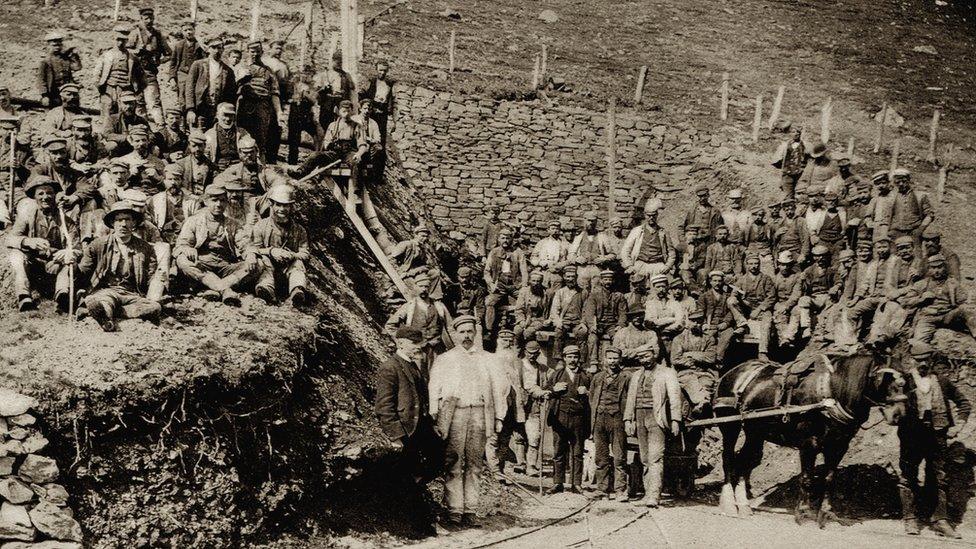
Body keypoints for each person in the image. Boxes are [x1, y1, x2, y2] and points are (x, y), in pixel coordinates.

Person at [428, 315, 501, 527]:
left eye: (470, 331)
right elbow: (434, 387)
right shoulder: (445, 359)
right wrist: (435, 412)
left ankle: (470, 509)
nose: (466, 336)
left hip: (479, 413)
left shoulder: (488, 359)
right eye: (462, 332)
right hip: (455, 415)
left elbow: (498, 389)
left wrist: (498, 417)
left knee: (475, 463)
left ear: (476, 333)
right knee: (454, 461)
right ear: (455, 334)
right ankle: (454, 510)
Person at [897, 341, 971, 538]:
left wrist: (959, 426)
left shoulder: (942, 382)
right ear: (912, 360)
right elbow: (891, 406)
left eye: (926, 360)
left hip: (937, 436)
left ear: (931, 360)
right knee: (908, 475)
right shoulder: (904, 383)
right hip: (911, 437)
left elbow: (964, 403)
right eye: (918, 360)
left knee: (939, 477)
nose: (922, 364)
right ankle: (910, 519)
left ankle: (939, 520)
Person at [79, 201, 162, 331]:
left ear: (134, 223)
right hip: (107, 291)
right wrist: (72, 266)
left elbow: (151, 275)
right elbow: (83, 271)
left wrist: (159, 280)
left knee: (155, 307)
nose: (123, 224)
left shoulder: (145, 248)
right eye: (119, 220)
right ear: (112, 223)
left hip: (132, 294)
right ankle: (106, 320)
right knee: (104, 302)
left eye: (127, 219)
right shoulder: (98, 245)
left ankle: (117, 312)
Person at [374, 326, 441, 484]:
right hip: (406, 430)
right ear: (401, 343)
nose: (418, 346)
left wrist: (432, 425)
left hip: (421, 426)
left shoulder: (413, 365)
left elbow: (422, 399)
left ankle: (417, 484)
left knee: (443, 457)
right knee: (405, 472)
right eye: (414, 342)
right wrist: (396, 435)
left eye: (419, 342)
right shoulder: (390, 367)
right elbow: (384, 406)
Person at [5, 176, 80, 312]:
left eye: (49, 193)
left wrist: (65, 254)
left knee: (71, 261)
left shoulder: (66, 220)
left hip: (57, 267)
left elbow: (77, 248)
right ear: (34, 197)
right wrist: (28, 241)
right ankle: (24, 296)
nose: (45, 197)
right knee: (16, 255)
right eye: (41, 193)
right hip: (35, 266)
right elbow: (10, 239)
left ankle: (62, 296)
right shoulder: (27, 215)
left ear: (55, 195)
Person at [174, 185, 256, 306]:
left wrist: (250, 254)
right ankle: (225, 290)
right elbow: (182, 244)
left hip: (225, 267)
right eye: (214, 200)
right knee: (182, 260)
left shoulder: (232, 224)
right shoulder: (194, 221)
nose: (218, 204)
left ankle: (215, 287)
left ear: (227, 202)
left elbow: (244, 242)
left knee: (257, 263)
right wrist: (187, 249)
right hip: (202, 266)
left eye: (222, 200)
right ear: (206, 201)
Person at [624, 346, 681, 507]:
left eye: (647, 356)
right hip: (640, 417)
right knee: (644, 458)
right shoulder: (636, 375)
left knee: (655, 457)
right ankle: (648, 493)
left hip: (657, 419)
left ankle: (654, 496)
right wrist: (628, 419)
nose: (644, 359)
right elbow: (630, 399)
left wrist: (676, 420)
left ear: (654, 355)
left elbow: (674, 396)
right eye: (641, 357)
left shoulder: (667, 372)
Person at [247, 183, 310, 307]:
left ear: (291, 207)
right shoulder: (261, 226)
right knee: (263, 260)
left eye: (286, 206)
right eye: (278, 205)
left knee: (298, 264)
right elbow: (254, 248)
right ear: (272, 205)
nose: (282, 209)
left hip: (287, 273)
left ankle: (296, 291)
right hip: (267, 271)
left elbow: (305, 254)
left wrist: (291, 255)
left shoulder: (299, 230)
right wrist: (271, 251)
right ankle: (266, 290)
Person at [900, 255, 975, 344]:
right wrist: (921, 299)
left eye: (939, 267)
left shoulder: (952, 283)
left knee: (966, 309)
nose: (936, 271)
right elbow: (905, 302)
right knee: (919, 344)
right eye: (933, 268)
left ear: (945, 267)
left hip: (948, 315)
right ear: (928, 269)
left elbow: (963, 302)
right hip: (928, 318)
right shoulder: (921, 284)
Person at [546, 345, 591, 494]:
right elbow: (546, 392)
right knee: (559, 450)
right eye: (569, 357)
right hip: (560, 417)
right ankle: (558, 482)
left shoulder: (585, 376)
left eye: (575, 357)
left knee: (577, 452)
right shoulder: (556, 375)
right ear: (564, 358)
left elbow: (594, 396)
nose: (572, 360)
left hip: (579, 419)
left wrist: (587, 392)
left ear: (579, 359)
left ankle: (576, 483)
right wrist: (554, 389)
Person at [486, 329, 528, 482]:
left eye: (510, 341)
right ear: (498, 341)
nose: (507, 344)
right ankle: (494, 470)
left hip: (512, 408)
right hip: (496, 408)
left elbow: (520, 385)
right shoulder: (491, 361)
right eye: (504, 340)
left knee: (505, 440)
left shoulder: (515, 363)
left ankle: (500, 470)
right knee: (493, 440)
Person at [588, 347, 629, 500]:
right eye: (610, 358)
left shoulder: (626, 377)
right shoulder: (598, 377)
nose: (612, 361)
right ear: (605, 359)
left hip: (617, 419)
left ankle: (620, 490)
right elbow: (591, 397)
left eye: (615, 358)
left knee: (619, 456)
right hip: (599, 418)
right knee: (601, 456)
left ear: (620, 360)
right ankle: (602, 489)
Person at [385, 274, 454, 364]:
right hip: (416, 350)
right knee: (417, 376)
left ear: (430, 288)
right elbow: (390, 325)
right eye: (421, 286)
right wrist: (401, 341)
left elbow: (451, 327)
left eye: (426, 286)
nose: (424, 289)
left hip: (437, 350)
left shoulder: (439, 306)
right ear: (415, 287)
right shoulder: (409, 307)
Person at [288, 100, 366, 178]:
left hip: (349, 153)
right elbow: (326, 142)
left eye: (348, 111)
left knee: (356, 162)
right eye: (344, 111)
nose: (346, 113)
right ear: (339, 111)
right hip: (334, 153)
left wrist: (358, 154)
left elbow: (362, 144)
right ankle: (300, 172)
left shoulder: (357, 126)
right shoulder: (333, 125)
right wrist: (329, 145)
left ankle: (356, 189)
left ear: (352, 111)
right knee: (315, 155)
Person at [237, 41, 284, 162]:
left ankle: (260, 164)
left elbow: (274, 93)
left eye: (258, 52)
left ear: (262, 53)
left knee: (261, 138)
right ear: (247, 52)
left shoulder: (268, 71)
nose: (255, 54)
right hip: (245, 106)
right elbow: (231, 89)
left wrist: (279, 112)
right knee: (242, 135)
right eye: (252, 51)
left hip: (262, 107)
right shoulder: (240, 67)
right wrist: (241, 79)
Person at [728, 253, 776, 359]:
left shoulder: (766, 279)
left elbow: (771, 297)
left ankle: (763, 351)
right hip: (746, 308)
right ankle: (742, 323)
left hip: (762, 308)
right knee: (730, 301)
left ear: (759, 265)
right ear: (746, 265)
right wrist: (739, 298)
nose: (753, 266)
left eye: (756, 263)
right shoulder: (741, 279)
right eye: (751, 264)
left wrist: (759, 309)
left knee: (767, 322)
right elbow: (734, 293)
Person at [670, 307, 717, 415]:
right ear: (688, 321)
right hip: (685, 372)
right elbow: (675, 359)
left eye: (699, 321)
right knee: (691, 382)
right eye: (693, 320)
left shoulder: (708, 338)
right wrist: (691, 361)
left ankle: (704, 407)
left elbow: (711, 358)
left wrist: (690, 355)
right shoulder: (679, 339)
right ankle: (702, 402)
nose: (696, 324)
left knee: (707, 383)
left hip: (704, 372)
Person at [484, 227, 529, 338]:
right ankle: (489, 331)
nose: (505, 240)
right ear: (499, 239)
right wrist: (491, 284)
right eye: (502, 238)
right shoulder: (494, 252)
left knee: (527, 301)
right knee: (489, 302)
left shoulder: (518, 253)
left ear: (511, 239)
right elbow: (486, 272)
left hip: (515, 285)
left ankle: (524, 326)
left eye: (507, 238)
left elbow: (524, 271)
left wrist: (524, 286)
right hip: (499, 285)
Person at [128, 7, 170, 126]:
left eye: (151, 18)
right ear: (141, 19)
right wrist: (138, 50)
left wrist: (159, 61)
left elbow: (169, 54)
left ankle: (161, 127)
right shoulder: (135, 33)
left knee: (155, 101)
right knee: (138, 101)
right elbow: (126, 49)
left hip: (150, 72)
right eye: (146, 18)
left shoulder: (157, 34)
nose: (149, 20)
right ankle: (140, 127)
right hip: (136, 73)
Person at [94, 25, 145, 122]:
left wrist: (138, 88)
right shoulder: (106, 55)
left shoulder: (131, 57)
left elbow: (141, 74)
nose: (120, 42)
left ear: (127, 41)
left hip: (126, 88)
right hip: (109, 87)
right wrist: (99, 85)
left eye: (123, 40)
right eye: (118, 39)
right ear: (114, 39)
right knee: (108, 110)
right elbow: (97, 72)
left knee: (126, 111)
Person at [185, 37, 238, 129]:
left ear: (223, 49)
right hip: (200, 110)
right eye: (214, 47)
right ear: (208, 49)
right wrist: (190, 109)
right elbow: (189, 88)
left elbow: (231, 95)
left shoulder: (228, 71)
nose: (217, 51)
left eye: (220, 48)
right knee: (199, 137)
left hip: (218, 113)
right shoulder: (198, 65)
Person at [583, 269, 627, 370]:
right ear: (601, 281)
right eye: (605, 279)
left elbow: (622, 313)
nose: (608, 282)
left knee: (618, 337)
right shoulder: (594, 295)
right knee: (592, 338)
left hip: (612, 324)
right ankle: (593, 362)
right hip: (598, 324)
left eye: (610, 280)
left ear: (613, 281)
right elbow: (589, 312)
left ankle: (617, 361)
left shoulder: (619, 296)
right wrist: (591, 325)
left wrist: (620, 324)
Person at [621, 198, 674, 277]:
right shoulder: (637, 231)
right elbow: (625, 250)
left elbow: (671, 252)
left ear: (657, 215)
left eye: (653, 215)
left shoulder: (663, 232)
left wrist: (668, 266)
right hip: (640, 264)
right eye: (648, 215)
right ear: (644, 215)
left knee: (665, 285)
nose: (651, 218)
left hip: (658, 265)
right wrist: (629, 266)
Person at [148, 163, 199, 245]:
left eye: (176, 179)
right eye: (170, 179)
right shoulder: (155, 200)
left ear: (182, 181)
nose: (173, 183)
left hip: (184, 241)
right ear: (164, 180)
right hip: (162, 240)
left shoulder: (192, 202)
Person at [796, 244, 840, 339]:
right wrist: (803, 281)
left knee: (832, 305)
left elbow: (838, 281)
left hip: (826, 296)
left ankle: (827, 331)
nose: (819, 258)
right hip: (814, 297)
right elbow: (805, 289)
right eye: (816, 256)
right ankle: (806, 328)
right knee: (803, 300)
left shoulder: (831, 270)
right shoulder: (809, 270)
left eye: (822, 256)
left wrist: (836, 286)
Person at [521, 340, 551, 476]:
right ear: (525, 352)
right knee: (518, 437)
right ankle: (519, 463)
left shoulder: (542, 368)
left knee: (534, 436)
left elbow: (553, 375)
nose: (532, 356)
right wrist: (540, 392)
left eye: (535, 354)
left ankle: (531, 466)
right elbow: (529, 386)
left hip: (534, 407)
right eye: (529, 353)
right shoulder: (519, 366)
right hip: (518, 406)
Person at [549, 265, 588, 360]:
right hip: (564, 321)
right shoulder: (560, 292)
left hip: (577, 322)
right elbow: (555, 309)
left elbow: (586, 309)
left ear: (576, 277)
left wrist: (583, 322)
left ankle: (582, 360)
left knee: (582, 333)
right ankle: (558, 359)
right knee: (558, 333)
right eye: (568, 277)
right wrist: (558, 321)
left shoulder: (583, 292)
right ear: (564, 277)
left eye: (572, 277)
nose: (570, 279)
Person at [37, 31, 82, 108]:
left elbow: (77, 67)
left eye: (59, 45)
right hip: (53, 93)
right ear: (48, 45)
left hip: (67, 91)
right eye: (54, 45)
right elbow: (41, 79)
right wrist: (44, 95)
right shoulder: (46, 61)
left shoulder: (65, 58)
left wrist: (75, 55)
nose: (57, 47)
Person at [317, 51, 356, 139]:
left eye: (341, 62)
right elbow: (317, 91)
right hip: (328, 102)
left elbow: (352, 89)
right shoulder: (325, 74)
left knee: (340, 123)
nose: (339, 64)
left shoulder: (345, 75)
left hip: (340, 102)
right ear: (332, 61)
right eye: (337, 61)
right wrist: (324, 88)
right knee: (325, 123)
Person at [169, 20, 205, 115]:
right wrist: (172, 78)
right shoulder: (179, 45)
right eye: (185, 30)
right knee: (183, 97)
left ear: (194, 30)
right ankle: (183, 122)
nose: (188, 32)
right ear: (182, 32)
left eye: (190, 29)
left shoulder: (200, 45)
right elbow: (173, 64)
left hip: (196, 75)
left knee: (197, 95)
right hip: (183, 74)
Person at [570, 212, 616, 286]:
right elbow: (571, 255)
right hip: (582, 269)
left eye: (593, 221)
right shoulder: (578, 237)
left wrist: (604, 258)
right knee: (583, 292)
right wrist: (577, 259)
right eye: (589, 220)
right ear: (584, 220)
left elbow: (613, 254)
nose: (591, 223)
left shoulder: (602, 236)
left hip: (597, 269)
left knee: (597, 290)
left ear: (596, 221)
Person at [889, 168, 934, 244]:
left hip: (914, 231)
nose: (901, 184)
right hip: (896, 232)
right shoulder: (891, 196)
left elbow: (929, 215)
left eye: (903, 181)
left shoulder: (920, 196)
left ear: (909, 180)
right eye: (898, 182)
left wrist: (920, 229)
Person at [204, 103, 251, 171]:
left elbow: (252, 149)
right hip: (218, 168)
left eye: (231, 115)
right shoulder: (209, 134)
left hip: (239, 168)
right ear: (217, 115)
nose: (228, 119)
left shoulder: (242, 133)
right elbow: (205, 156)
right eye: (225, 115)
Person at [644, 273, 685, 342]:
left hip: (673, 338)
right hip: (656, 338)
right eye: (658, 287)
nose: (661, 290)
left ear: (667, 287)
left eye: (663, 286)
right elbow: (650, 323)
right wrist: (672, 320)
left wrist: (661, 326)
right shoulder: (649, 304)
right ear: (653, 288)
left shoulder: (675, 303)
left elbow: (680, 322)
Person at [352, 98, 385, 181]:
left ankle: (375, 176)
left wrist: (368, 140)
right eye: (365, 109)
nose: (367, 111)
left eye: (369, 109)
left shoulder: (373, 123)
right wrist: (365, 139)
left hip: (369, 147)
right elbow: (353, 135)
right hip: (356, 145)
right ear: (360, 109)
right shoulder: (354, 119)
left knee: (379, 149)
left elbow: (377, 138)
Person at [173, 130, 214, 196]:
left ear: (205, 146)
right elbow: (177, 184)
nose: (197, 149)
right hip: (186, 199)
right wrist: (190, 195)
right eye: (194, 146)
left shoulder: (211, 165)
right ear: (189, 146)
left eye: (200, 146)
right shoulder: (181, 164)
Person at [362, 60, 395, 143]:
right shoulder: (371, 82)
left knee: (381, 134)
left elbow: (390, 100)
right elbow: (362, 94)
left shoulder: (389, 84)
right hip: (370, 111)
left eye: (385, 70)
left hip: (382, 113)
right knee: (368, 132)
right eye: (380, 70)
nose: (382, 73)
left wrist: (388, 112)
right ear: (376, 70)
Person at [513, 270, 549, 343]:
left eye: (538, 281)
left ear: (541, 282)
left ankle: (531, 349)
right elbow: (519, 309)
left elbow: (546, 311)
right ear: (529, 281)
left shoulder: (545, 293)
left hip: (538, 320)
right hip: (525, 318)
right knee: (517, 331)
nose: (535, 283)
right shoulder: (524, 291)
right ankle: (517, 352)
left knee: (528, 333)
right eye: (533, 281)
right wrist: (521, 321)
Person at [771, 127, 806, 196]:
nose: (796, 134)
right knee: (788, 194)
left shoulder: (805, 145)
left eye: (798, 132)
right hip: (788, 173)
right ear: (790, 134)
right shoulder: (785, 145)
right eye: (793, 132)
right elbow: (777, 159)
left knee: (800, 194)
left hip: (801, 174)